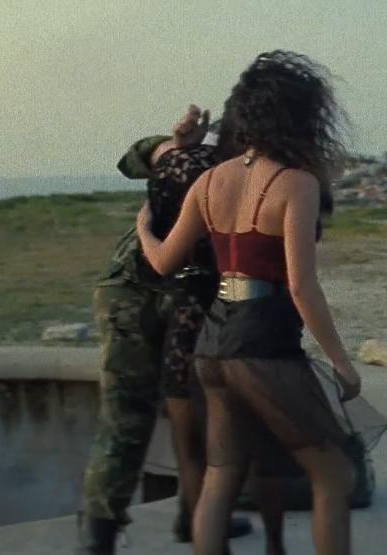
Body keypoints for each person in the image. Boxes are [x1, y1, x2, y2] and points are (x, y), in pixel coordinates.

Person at [136, 50, 363, 555]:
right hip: (264, 347)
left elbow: (163, 261)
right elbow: (302, 287)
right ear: (300, 118)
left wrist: (143, 229)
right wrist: (342, 364)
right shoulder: (297, 183)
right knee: (334, 475)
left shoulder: (209, 180)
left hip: (212, 345)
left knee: (221, 476)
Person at [77, 109, 256, 554]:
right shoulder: (200, 157)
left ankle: (195, 517)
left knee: (195, 410)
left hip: (189, 294)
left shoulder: (256, 174)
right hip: (135, 290)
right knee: (129, 414)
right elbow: (131, 160)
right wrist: (172, 144)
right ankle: (97, 536)